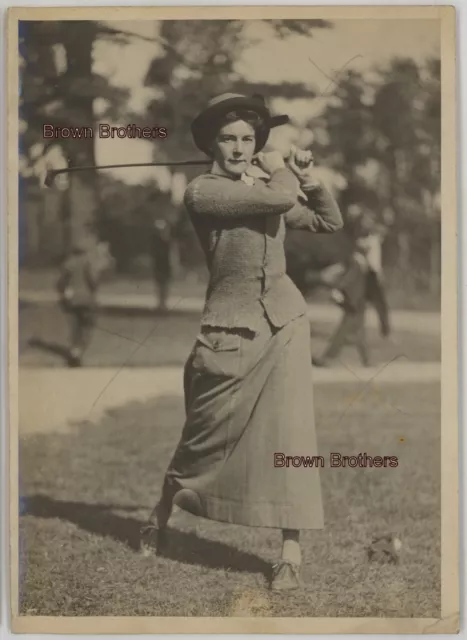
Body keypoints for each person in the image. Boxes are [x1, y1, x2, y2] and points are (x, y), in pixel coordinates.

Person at [140, 93, 343, 590]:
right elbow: (276, 199)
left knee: (291, 438)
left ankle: (289, 555)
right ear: (212, 142)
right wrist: (281, 169)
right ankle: (159, 516)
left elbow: (327, 221)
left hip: (286, 322)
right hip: (229, 330)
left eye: (247, 139)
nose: (238, 147)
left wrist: (309, 179)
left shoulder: (261, 183)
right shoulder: (204, 192)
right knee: (201, 439)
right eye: (228, 139)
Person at [57, 234, 111, 367]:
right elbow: (93, 281)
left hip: (72, 299)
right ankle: (77, 353)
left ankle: (74, 350)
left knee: (75, 327)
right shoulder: (88, 262)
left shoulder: (68, 263)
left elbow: (60, 284)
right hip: (86, 299)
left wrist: (64, 294)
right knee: (87, 327)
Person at [150, 218, 172, 311]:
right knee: (160, 284)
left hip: (164, 264)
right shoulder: (158, 241)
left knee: (164, 284)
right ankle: (161, 303)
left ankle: (163, 303)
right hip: (159, 264)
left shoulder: (166, 241)